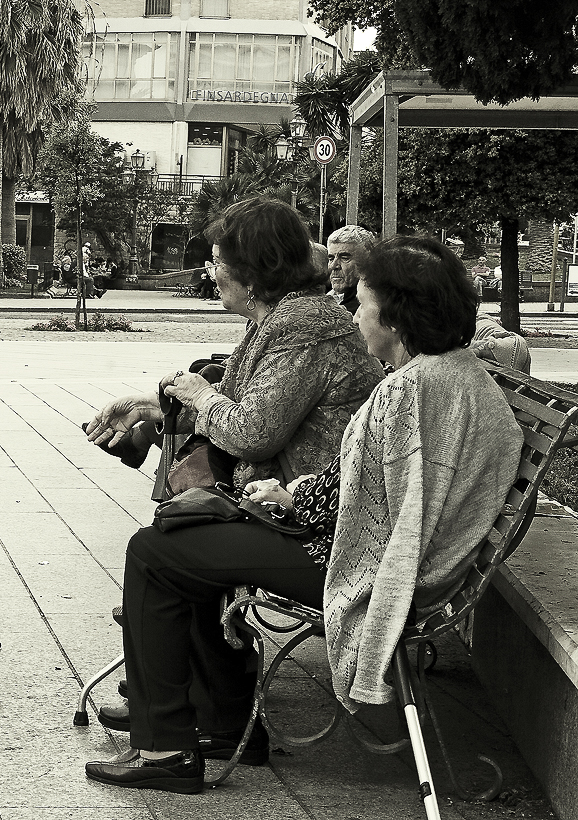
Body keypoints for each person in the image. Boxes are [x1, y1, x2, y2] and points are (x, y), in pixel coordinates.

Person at [84, 235, 524, 794]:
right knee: (189, 532)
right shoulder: (443, 378)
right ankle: (216, 724)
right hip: (388, 555)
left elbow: (377, 510)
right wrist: (296, 495)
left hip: (371, 569)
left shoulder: (413, 391)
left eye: (362, 303)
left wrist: (302, 499)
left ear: (394, 318)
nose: (354, 313)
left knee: (155, 553)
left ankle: (166, 747)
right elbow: (379, 491)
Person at [86, 197, 384, 492]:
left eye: (217, 263)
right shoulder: (281, 317)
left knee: (157, 539)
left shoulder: (304, 325)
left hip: (313, 505)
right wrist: (145, 406)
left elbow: (252, 433)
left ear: (251, 274)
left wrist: (202, 396)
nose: (211, 273)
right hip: (290, 492)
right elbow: (241, 398)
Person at [325, 225, 376, 314]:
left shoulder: (370, 309)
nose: (334, 266)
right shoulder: (326, 298)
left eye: (344, 258)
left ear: (367, 261)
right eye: (331, 258)